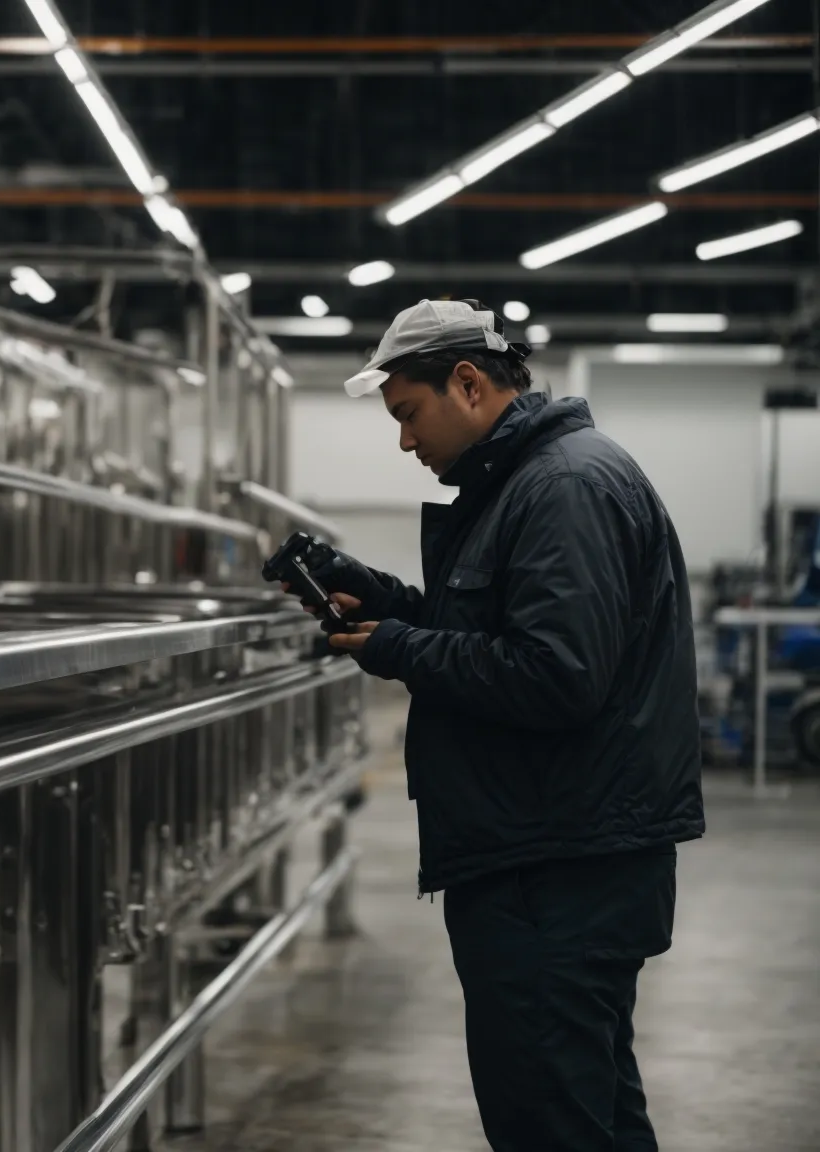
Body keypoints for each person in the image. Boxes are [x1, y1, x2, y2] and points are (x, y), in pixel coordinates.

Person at [292, 299, 704, 1152]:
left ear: (469, 384)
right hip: (553, 858)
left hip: (554, 875)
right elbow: (494, 633)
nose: (405, 441)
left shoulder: (562, 488)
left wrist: (403, 647)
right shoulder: (532, 482)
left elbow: (558, 677)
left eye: (408, 414)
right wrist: (382, 599)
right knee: (592, 1116)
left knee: (550, 1125)